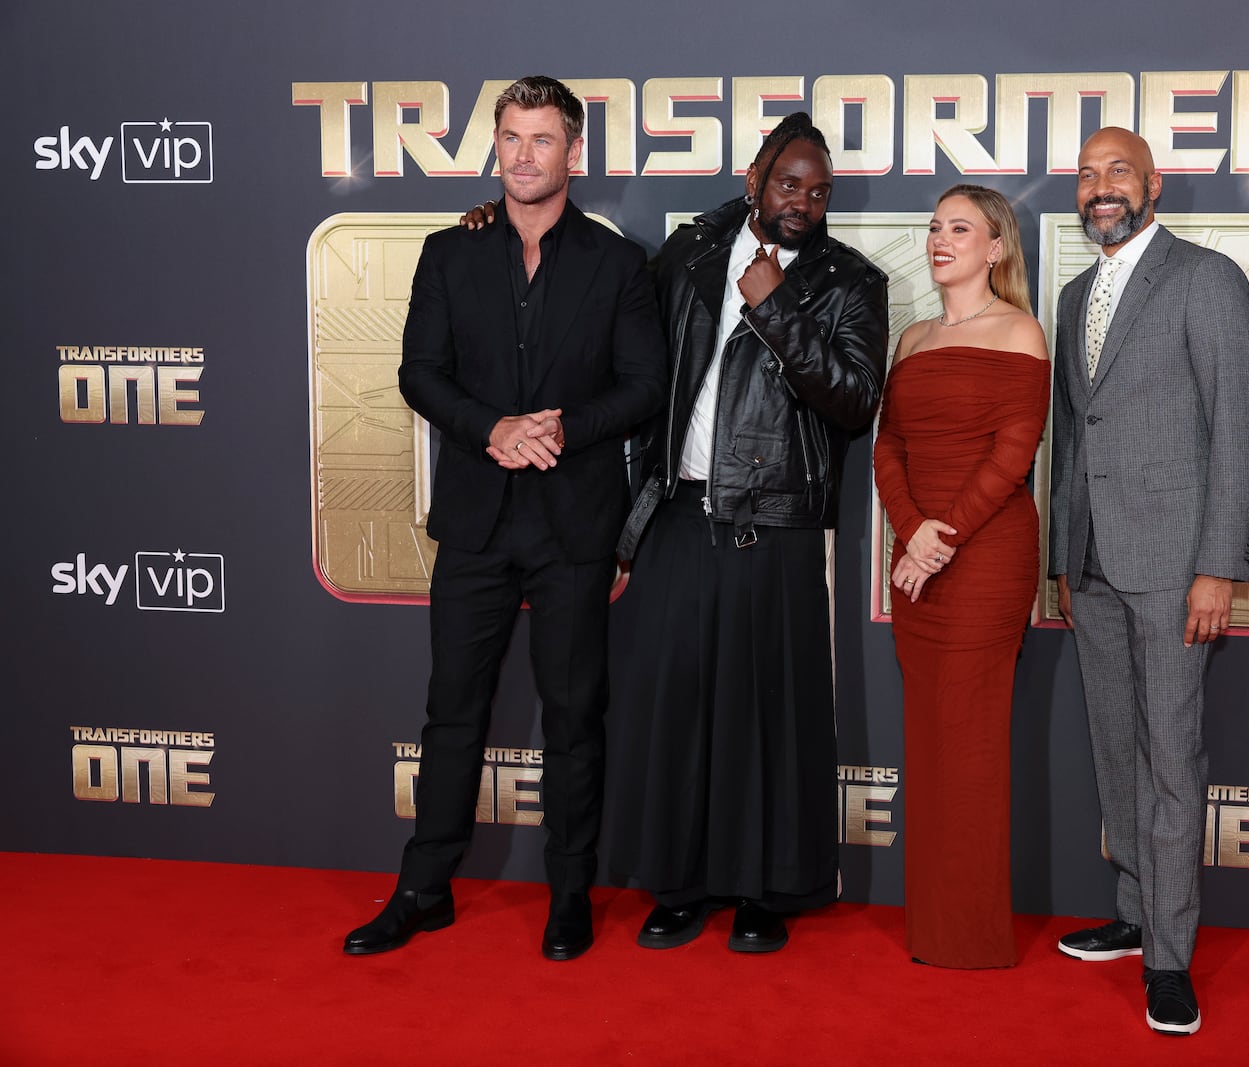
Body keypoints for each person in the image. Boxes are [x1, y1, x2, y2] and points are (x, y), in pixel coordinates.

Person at [342, 76, 666, 962]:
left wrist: (559, 427)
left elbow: (644, 385)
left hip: (573, 525)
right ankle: (423, 889)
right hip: (478, 524)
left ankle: (569, 894)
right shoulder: (451, 253)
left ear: (575, 153)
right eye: (511, 139)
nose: (525, 156)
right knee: (452, 712)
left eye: (543, 140)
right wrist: (492, 429)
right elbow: (419, 372)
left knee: (573, 718)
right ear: (497, 147)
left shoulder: (618, 264)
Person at [611, 112, 888, 953]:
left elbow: (852, 400)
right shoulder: (690, 253)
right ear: (755, 182)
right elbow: (622, 338)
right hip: (678, 514)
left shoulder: (850, 281)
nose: (803, 200)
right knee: (679, 711)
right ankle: (682, 883)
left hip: (777, 523)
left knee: (774, 716)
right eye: (788, 183)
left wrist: (776, 310)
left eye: (819, 189)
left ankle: (768, 889)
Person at [1048, 127, 1249, 1034]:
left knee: (1171, 763)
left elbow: (1237, 431)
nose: (1102, 188)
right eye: (1089, 175)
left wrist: (1218, 565)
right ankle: (1136, 913)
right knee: (1116, 751)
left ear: (1154, 184)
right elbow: (1075, 432)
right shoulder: (1070, 294)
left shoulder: (1206, 278)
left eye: (1119, 173)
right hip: (1092, 563)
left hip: (1176, 566)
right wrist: (1064, 554)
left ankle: (1170, 960)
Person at [872, 185, 1049, 968]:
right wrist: (913, 534)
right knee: (930, 739)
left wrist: (941, 538)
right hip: (918, 565)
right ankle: (933, 924)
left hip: (984, 560)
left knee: (972, 741)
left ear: (996, 247)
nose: (941, 239)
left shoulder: (1020, 332)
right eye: (936, 227)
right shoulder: (909, 340)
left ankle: (972, 935)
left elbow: (1014, 451)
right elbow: (887, 450)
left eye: (960, 228)